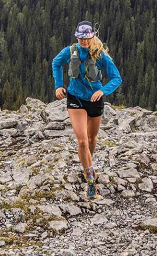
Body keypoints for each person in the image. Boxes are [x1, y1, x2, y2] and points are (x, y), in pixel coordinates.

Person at [52, 21, 122, 200]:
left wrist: (102, 91)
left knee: (91, 139)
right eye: (81, 38)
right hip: (75, 98)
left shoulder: (100, 55)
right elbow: (56, 63)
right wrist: (59, 85)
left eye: (87, 38)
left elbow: (116, 78)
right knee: (82, 141)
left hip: (95, 100)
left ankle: (87, 163)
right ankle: (91, 180)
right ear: (77, 37)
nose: (84, 41)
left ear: (92, 37)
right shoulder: (69, 52)